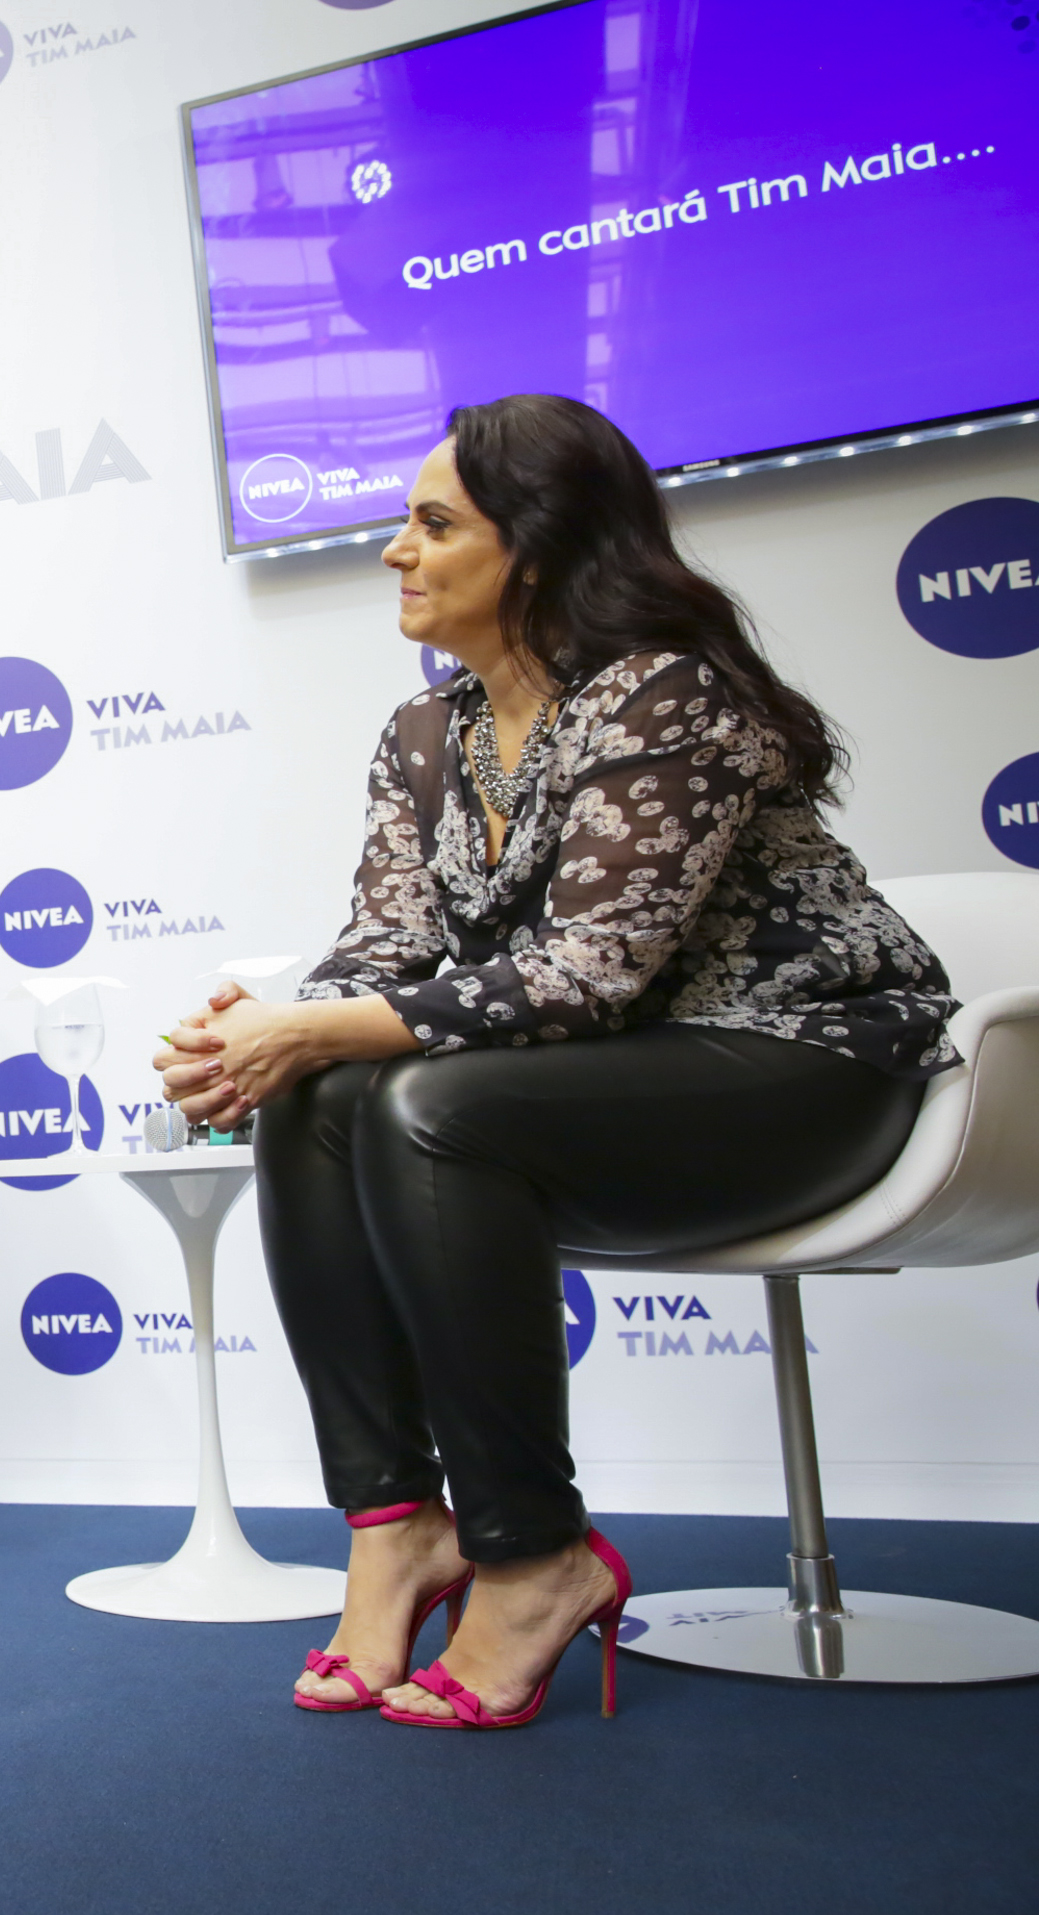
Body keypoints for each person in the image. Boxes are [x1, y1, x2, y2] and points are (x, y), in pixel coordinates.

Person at [154, 394, 957, 1728]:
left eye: (430, 524)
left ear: (532, 549)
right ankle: (394, 1526)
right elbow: (386, 945)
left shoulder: (663, 693)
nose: (393, 551)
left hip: (810, 1064)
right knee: (313, 1099)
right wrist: (265, 1035)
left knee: (422, 1105)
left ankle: (531, 1555)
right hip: (621, 1081)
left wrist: (306, 1027)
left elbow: (590, 972)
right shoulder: (426, 733)